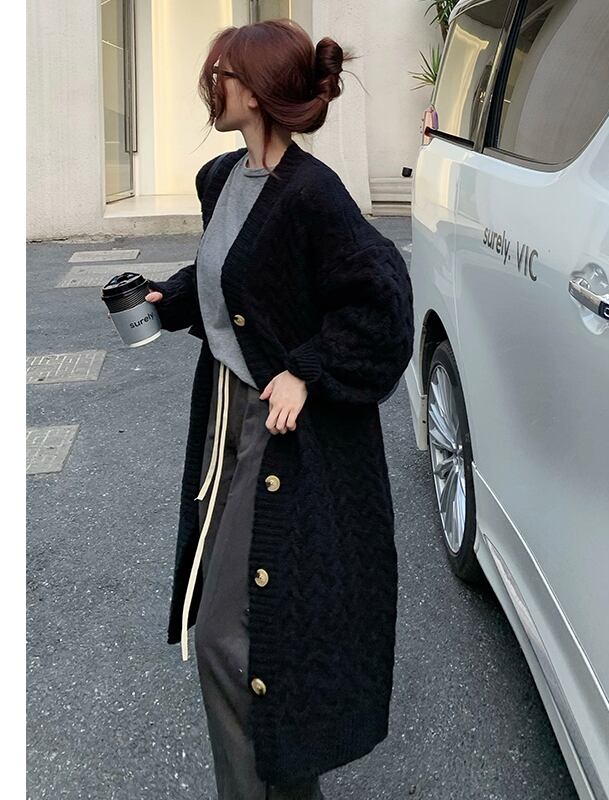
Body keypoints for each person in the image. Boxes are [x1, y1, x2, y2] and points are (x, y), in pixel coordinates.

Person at [145, 19, 414, 800]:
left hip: (282, 434)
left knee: (230, 638)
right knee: (240, 632)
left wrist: (306, 369)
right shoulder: (222, 179)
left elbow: (384, 304)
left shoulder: (312, 195)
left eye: (222, 74)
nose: (212, 86)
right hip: (227, 417)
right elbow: (237, 277)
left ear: (257, 92)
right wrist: (170, 298)